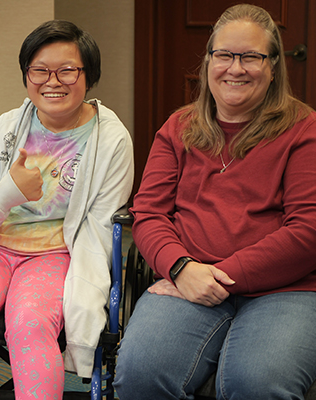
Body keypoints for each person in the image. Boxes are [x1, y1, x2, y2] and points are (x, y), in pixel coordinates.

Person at [0, 20, 133, 400]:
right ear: (26, 75)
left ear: (88, 74)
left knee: (29, 323)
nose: (53, 81)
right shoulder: (3, 130)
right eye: (39, 70)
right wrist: (8, 193)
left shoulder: (111, 139)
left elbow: (100, 226)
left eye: (67, 69)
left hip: (55, 255)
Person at [114, 4, 316, 400]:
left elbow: (308, 231)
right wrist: (180, 266)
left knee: (256, 384)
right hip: (188, 280)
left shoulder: (303, 130)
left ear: (273, 66)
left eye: (251, 57)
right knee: (140, 373)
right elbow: (150, 214)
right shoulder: (178, 128)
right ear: (208, 61)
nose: (235, 68)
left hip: (286, 290)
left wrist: (214, 276)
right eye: (223, 55)